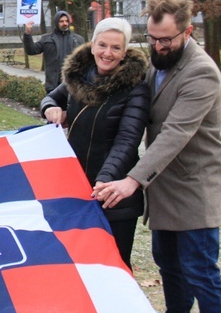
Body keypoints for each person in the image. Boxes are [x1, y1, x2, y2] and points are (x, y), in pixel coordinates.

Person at [93, 0, 221, 313]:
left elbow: (175, 133)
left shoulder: (201, 72)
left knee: (201, 274)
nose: (158, 47)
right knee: (169, 268)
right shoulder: (158, 65)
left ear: (188, 31)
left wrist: (132, 181)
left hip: (194, 192)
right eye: (152, 39)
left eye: (166, 40)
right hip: (164, 190)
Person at [40, 17, 149, 270]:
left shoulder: (136, 89)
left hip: (113, 194)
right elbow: (50, 98)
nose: (107, 53)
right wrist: (51, 108)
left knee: (115, 267)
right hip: (75, 189)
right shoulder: (78, 78)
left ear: (124, 53)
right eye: (102, 45)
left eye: (115, 48)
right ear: (92, 46)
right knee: (77, 265)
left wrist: (104, 179)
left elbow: (127, 140)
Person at [23, 10, 84, 93]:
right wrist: (27, 34)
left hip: (73, 86)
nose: (64, 23)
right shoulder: (46, 39)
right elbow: (31, 50)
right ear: (56, 22)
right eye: (61, 21)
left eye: (66, 21)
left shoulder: (78, 39)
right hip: (53, 85)